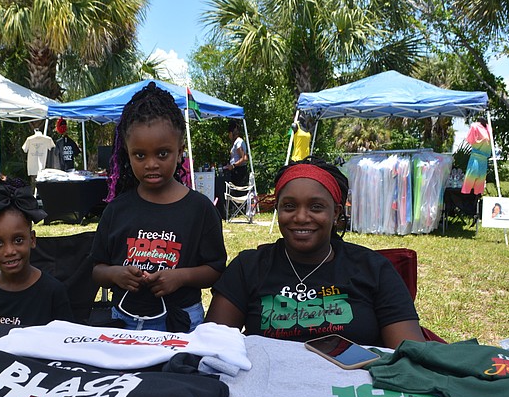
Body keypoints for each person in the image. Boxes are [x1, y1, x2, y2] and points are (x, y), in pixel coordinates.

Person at [205, 157, 426, 348]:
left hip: (353, 389)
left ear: (336, 213)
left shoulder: (374, 269)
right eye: (289, 206)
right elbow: (212, 347)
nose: (301, 217)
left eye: (316, 207)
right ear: (278, 210)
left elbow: (409, 353)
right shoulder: (248, 267)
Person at [91, 81, 227, 332]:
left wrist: (180, 277)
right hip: (123, 321)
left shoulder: (200, 209)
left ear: (179, 150)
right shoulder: (117, 210)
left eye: (162, 154)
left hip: (181, 321)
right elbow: (96, 269)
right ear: (127, 153)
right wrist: (115, 275)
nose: (151, 164)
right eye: (140, 155)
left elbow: (216, 270)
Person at [0, 177, 73, 326]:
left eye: (18, 240)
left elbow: (65, 340)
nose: (9, 251)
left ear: (32, 239)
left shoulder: (53, 292)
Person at [461, 116, 492, 195]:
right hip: (476, 158)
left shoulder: (489, 128)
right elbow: (470, 140)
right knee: (469, 182)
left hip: (484, 160)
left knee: (479, 187)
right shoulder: (474, 126)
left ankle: (476, 202)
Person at [223, 120, 249, 188]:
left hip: (239, 171)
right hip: (236, 170)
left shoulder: (238, 142)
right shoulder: (235, 142)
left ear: (231, 133)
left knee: (238, 189)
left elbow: (244, 158)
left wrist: (233, 165)